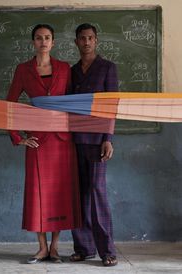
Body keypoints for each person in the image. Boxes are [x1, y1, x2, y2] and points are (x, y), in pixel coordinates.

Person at [7, 24, 81, 264]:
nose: (43, 41)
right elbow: (9, 105)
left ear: (53, 42)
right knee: (38, 194)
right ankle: (41, 248)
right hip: (37, 141)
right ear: (33, 43)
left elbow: (73, 102)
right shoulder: (23, 70)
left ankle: (55, 248)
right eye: (38, 38)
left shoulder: (64, 68)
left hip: (62, 140)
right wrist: (19, 138)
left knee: (59, 193)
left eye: (47, 37)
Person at [69, 23, 118, 267]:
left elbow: (112, 105)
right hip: (75, 140)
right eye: (82, 38)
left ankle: (107, 251)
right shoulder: (73, 71)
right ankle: (84, 248)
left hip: (98, 141)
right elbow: (66, 105)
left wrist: (108, 139)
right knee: (79, 195)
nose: (86, 42)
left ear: (96, 41)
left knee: (97, 194)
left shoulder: (108, 68)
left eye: (90, 38)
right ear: (76, 42)